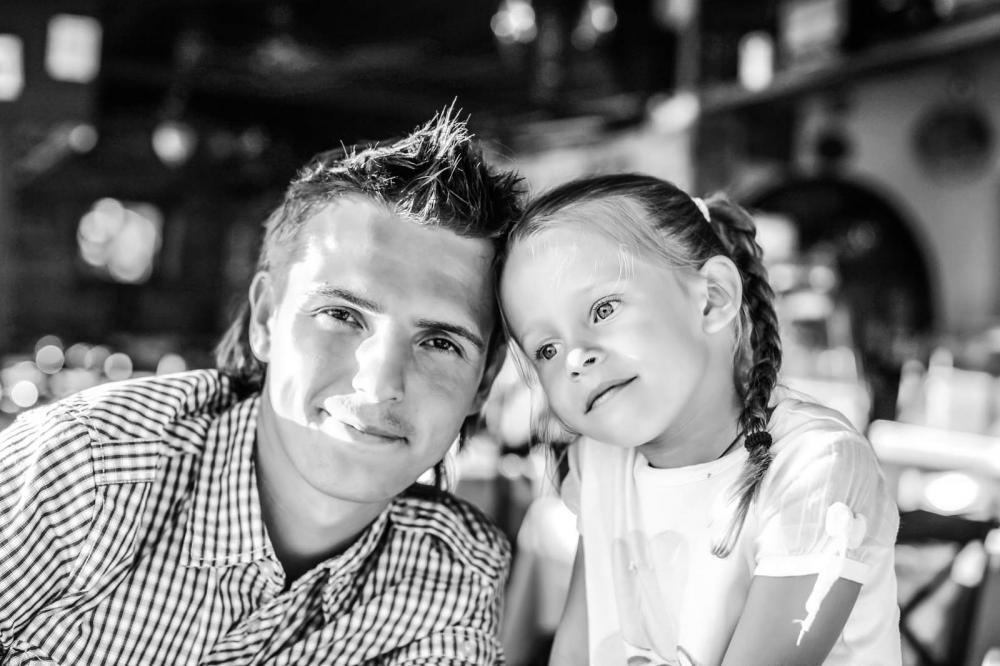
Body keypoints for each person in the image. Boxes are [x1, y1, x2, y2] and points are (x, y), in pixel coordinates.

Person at [0, 110, 523, 665]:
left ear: (481, 386)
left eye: (441, 343)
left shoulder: (451, 577)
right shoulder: (90, 470)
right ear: (266, 319)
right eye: (342, 314)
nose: (379, 383)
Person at [498, 173, 901, 665]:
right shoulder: (601, 462)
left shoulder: (815, 465)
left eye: (603, 309)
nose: (575, 358)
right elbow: (576, 651)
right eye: (546, 348)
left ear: (712, 297)